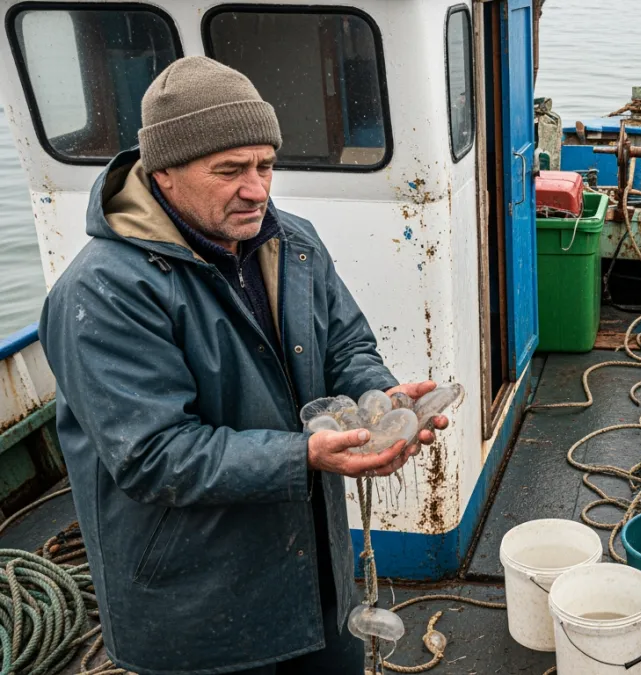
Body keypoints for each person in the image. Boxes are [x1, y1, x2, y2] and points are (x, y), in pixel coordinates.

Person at [38, 56, 448, 675]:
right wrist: (303, 456)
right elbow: (153, 456)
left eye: (264, 165)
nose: (257, 189)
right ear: (164, 173)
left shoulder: (297, 241)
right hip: (198, 611)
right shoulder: (101, 292)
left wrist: (382, 399)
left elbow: (347, 348)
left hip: (317, 580)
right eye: (230, 170)